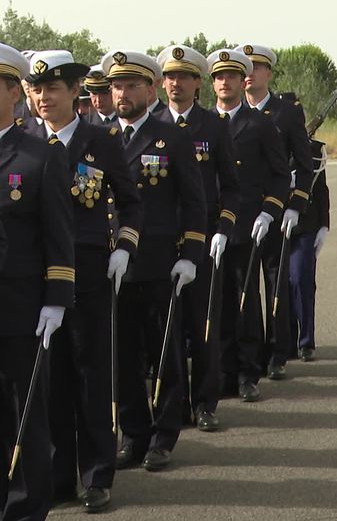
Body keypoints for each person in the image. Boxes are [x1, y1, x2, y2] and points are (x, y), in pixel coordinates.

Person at [26, 49, 142, 513]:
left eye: (52, 89)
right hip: (38, 278)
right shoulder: (25, 141)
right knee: (50, 380)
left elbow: (132, 202)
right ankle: (58, 474)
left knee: (91, 374)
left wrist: (124, 246)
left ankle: (97, 474)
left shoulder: (102, 141)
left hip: (90, 271)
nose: (42, 98)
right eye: (35, 90)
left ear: (76, 92)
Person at [101, 49, 207, 470]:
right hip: (112, 266)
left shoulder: (171, 137)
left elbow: (194, 201)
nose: (122, 93)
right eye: (116, 86)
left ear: (150, 89)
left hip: (160, 263)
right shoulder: (100, 136)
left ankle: (164, 435)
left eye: (130, 85)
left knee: (163, 350)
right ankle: (134, 434)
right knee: (123, 355)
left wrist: (192, 254)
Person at [0, 43, 75, 521]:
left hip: (22, 307)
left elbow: (59, 235)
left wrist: (57, 300)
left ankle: (27, 508)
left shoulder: (39, 155)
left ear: (12, 93)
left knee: (25, 415)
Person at [155, 44, 240, 431]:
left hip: (202, 238)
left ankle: (206, 403)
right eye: (169, 76)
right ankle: (172, 406)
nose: (175, 84)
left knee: (203, 325)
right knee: (165, 332)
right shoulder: (152, 123)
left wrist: (223, 228)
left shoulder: (213, 126)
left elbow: (233, 188)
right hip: (158, 241)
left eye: (183, 77)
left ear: (196, 82)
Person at [207, 48, 290, 402]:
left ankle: (246, 371)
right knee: (215, 304)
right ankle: (222, 371)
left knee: (244, 302)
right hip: (207, 229)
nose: (225, 82)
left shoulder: (259, 124)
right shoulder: (203, 124)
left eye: (231, 76)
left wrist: (268, 212)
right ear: (212, 83)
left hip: (243, 227)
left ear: (243, 82)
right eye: (218, 76)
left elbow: (279, 175)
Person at [235, 44, 313, 378]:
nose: (250, 74)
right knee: (245, 288)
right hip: (242, 214)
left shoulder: (286, 112)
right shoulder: (227, 112)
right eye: (245, 68)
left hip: (277, 210)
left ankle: (278, 351)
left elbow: (305, 165)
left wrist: (296, 205)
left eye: (257, 67)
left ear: (269, 74)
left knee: (275, 283)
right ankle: (251, 352)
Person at [289, 138, 330, 361]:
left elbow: (321, 189)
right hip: (275, 222)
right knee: (281, 284)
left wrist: (324, 224)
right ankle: (284, 341)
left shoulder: (313, 150)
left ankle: (306, 341)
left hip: (306, 224)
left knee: (301, 278)